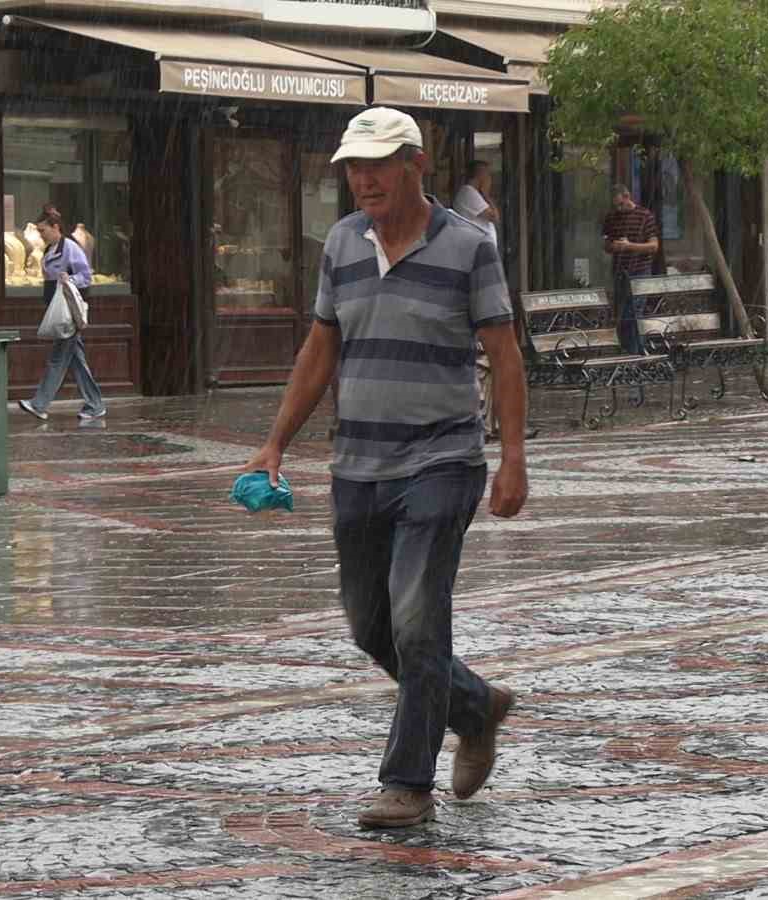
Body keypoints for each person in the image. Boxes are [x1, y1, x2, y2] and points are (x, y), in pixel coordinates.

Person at [244, 106, 529, 829]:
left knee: (417, 624)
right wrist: (275, 442)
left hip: (442, 458)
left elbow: (503, 353)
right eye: (353, 167)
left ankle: (407, 784)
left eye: (377, 164)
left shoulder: (469, 247)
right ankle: (475, 705)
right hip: (358, 464)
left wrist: (514, 458)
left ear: (415, 163)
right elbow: (320, 349)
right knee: (371, 625)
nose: (363, 179)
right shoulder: (341, 243)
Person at [17, 207, 106, 422]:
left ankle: (39, 404)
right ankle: (95, 404)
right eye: (38, 231)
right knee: (76, 360)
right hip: (59, 312)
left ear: (56, 227)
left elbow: (85, 276)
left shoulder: (70, 249)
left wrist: (69, 280)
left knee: (58, 359)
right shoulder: (51, 249)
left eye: (43, 230)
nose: (40, 234)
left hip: (67, 315)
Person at [601, 185, 660, 354]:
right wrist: (615, 247)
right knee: (624, 314)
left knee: (634, 311)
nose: (619, 209)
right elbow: (606, 245)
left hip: (640, 270)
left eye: (621, 204)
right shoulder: (612, 218)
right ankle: (633, 351)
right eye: (616, 205)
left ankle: (635, 352)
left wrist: (630, 246)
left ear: (627, 197)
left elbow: (654, 246)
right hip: (620, 270)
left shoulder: (645, 216)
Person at [452, 160, 500, 247]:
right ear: (481, 175)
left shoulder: (471, 192)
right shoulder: (469, 192)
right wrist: (486, 195)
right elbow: (494, 217)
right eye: (488, 174)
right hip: (478, 248)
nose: (490, 178)